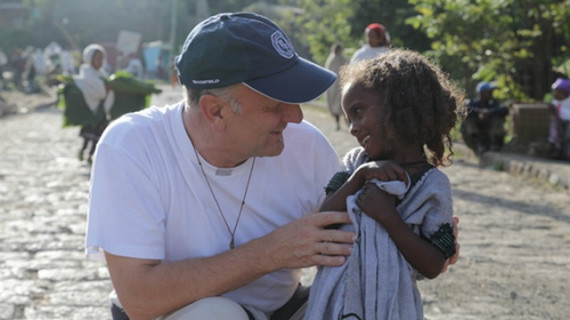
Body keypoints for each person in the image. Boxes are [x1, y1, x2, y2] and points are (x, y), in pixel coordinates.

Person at [85, 13, 459, 320]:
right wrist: (272, 252)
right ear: (216, 111)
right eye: (276, 104)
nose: (295, 117)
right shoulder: (133, 147)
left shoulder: (305, 145)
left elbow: (362, 234)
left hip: (286, 311)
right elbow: (140, 299)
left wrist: (424, 240)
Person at [305, 49, 463, 319]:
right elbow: (323, 220)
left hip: (394, 308)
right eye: (348, 118)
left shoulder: (432, 185)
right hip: (335, 304)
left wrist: (389, 217)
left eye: (358, 112)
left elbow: (434, 264)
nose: (353, 127)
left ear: (400, 106)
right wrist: (359, 178)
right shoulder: (355, 163)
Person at [74, 44, 114, 164]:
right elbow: (91, 89)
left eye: (101, 58)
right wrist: (104, 90)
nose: (99, 61)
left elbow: (108, 90)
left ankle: (91, 155)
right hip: (91, 109)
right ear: (90, 58)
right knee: (88, 135)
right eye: (97, 58)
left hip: (101, 111)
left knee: (98, 136)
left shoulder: (103, 74)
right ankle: (82, 150)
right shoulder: (86, 73)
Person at [461, 81, 509, 153]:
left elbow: (505, 109)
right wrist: (479, 112)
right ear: (482, 93)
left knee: (497, 117)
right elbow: (464, 109)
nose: (491, 93)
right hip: (473, 140)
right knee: (469, 118)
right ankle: (478, 144)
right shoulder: (472, 103)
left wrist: (489, 112)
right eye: (489, 92)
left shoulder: (493, 103)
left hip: (489, 137)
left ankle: (494, 142)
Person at [324, 43, 348, 130]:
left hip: (342, 85)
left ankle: (347, 122)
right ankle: (337, 123)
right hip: (333, 87)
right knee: (335, 106)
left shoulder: (345, 59)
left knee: (344, 105)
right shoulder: (331, 61)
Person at [547, 77, 570, 160]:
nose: (557, 94)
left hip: (568, 124)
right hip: (558, 123)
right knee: (555, 134)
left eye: (560, 93)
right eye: (556, 92)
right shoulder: (553, 103)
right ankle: (556, 151)